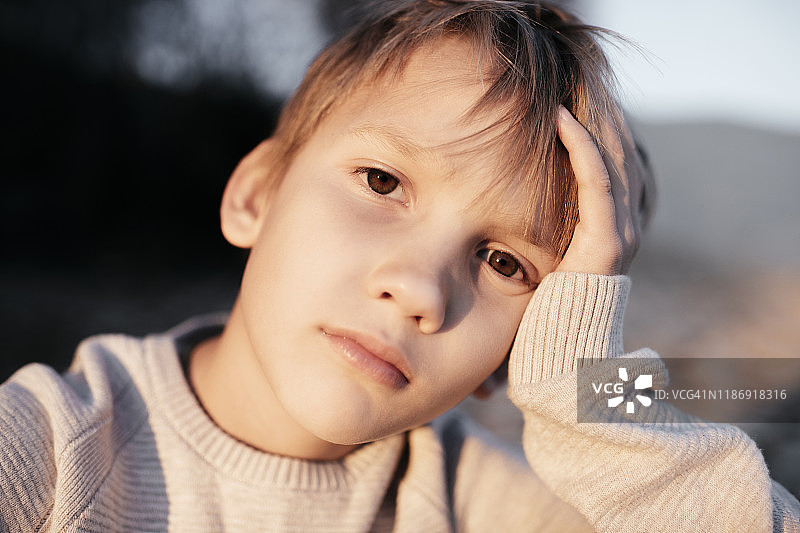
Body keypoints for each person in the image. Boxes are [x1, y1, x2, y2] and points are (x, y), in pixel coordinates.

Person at [1, 1, 797, 531]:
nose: (418, 289)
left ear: (515, 356)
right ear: (256, 193)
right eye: (382, 182)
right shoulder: (54, 443)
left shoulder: (492, 501)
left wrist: (588, 391)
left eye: (503, 262)